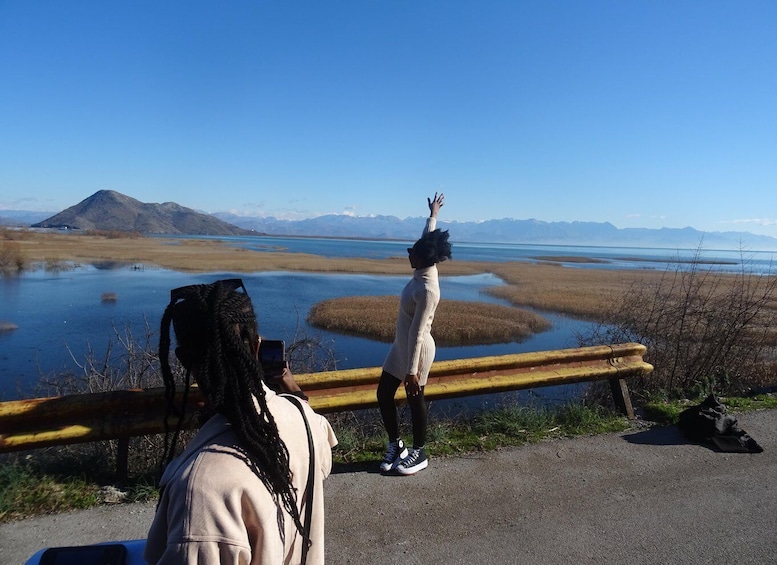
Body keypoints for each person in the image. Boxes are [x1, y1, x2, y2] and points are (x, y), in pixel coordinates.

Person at [145, 279, 338, 565]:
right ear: (257, 347)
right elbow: (320, 444)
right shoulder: (304, 420)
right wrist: (293, 388)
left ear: (183, 360)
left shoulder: (201, 490)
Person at [377, 193, 452, 475]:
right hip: (401, 345)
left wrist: (411, 372)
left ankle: (419, 452)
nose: (409, 253)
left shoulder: (428, 288)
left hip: (417, 351)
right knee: (384, 395)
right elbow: (427, 239)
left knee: (414, 397)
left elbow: (420, 334)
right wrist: (433, 214)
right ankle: (396, 445)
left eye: (413, 252)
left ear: (423, 258)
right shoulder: (423, 267)